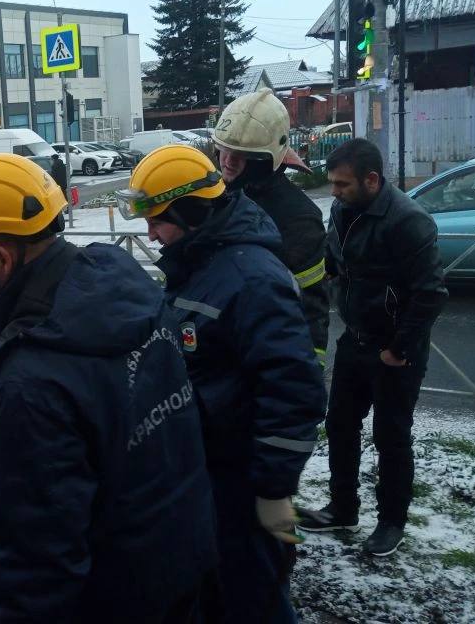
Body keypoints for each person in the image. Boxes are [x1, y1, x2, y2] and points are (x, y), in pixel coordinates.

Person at [0, 153, 217, 623]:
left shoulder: (29, 379)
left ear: (1, 257)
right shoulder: (126, 284)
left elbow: (40, 558)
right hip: (185, 553)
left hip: (116, 596)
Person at [116, 144, 325, 623]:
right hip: (209, 470)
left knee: (255, 599)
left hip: (242, 480)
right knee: (217, 592)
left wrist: (273, 490)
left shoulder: (249, 277)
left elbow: (294, 390)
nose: (151, 233)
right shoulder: (201, 263)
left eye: (158, 220)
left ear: (192, 211)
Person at [298, 139, 447, 556]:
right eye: (332, 184)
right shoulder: (344, 211)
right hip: (355, 340)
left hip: (394, 351)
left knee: (391, 437)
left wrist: (398, 349)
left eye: (342, 184)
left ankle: (391, 522)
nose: (335, 192)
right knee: (341, 425)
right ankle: (343, 507)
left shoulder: (408, 220)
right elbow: (334, 264)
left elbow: (431, 294)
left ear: (372, 180)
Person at [214, 89, 330, 363]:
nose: (228, 161)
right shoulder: (220, 197)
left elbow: (312, 307)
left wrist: (308, 374)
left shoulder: (298, 217)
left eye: (242, 155)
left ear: (267, 159)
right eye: (224, 149)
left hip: (269, 356)